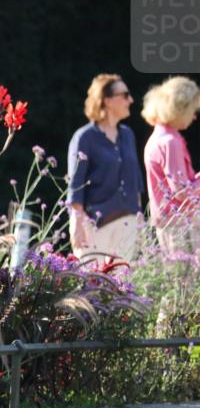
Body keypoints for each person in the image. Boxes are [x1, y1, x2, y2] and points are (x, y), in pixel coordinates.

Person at [66, 74, 146, 267]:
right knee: (91, 288)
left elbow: (134, 179)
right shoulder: (84, 137)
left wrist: (140, 219)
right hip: (94, 226)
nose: (131, 100)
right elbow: (75, 185)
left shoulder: (127, 134)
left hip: (127, 223)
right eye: (125, 95)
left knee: (120, 290)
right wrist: (76, 222)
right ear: (107, 100)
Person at [141, 75, 200, 255]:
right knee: (189, 282)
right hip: (181, 227)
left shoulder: (158, 138)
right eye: (193, 110)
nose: (195, 116)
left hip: (171, 224)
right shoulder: (170, 142)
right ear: (180, 109)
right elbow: (181, 191)